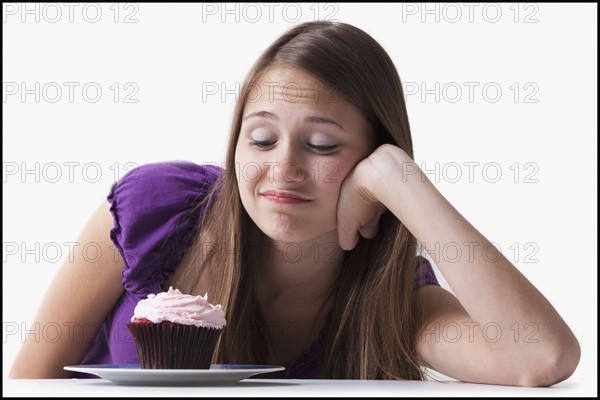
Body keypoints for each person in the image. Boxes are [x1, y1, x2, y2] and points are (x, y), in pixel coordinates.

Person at [10, 21, 580, 386]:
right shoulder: (154, 210)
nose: (283, 168)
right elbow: (26, 383)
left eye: (323, 145)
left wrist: (403, 183)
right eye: (261, 139)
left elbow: (541, 360)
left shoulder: (393, 302)